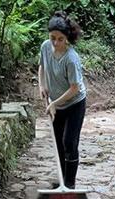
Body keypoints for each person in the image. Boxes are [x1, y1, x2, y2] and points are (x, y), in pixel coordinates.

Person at [37, 11, 87, 189]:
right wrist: (42, 86)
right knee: (58, 141)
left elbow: (75, 88)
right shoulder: (45, 47)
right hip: (56, 101)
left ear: (67, 38)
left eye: (60, 39)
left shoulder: (71, 59)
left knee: (69, 141)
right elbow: (42, 66)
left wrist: (53, 103)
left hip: (74, 103)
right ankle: (62, 180)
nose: (55, 43)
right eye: (52, 38)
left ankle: (70, 184)